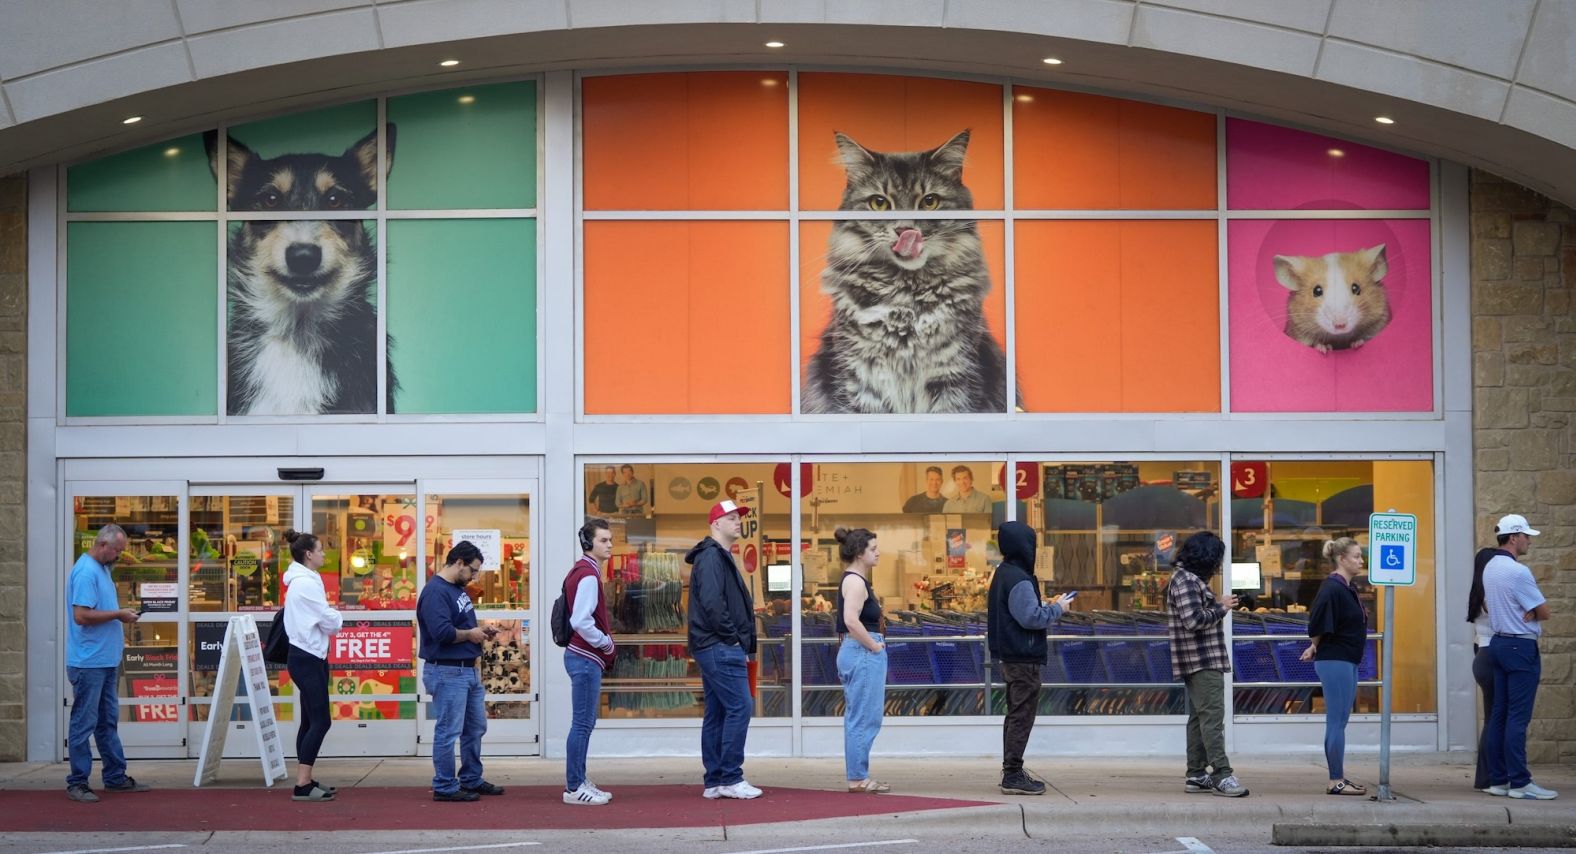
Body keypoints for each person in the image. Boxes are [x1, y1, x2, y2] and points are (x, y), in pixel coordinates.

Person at [64, 524, 151, 803]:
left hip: (103, 659)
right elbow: (81, 615)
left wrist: (119, 614)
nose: (119, 556)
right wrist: (118, 614)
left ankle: (114, 776)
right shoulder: (87, 572)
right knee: (84, 722)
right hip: (89, 662)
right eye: (117, 551)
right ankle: (77, 781)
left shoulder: (100, 569)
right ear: (103, 545)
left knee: (106, 722)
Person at [986, 521, 1069, 795]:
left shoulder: (1004, 573)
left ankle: (1012, 770)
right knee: (1021, 715)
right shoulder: (1019, 578)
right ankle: (1012, 774)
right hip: (1023, 656)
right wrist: (1058, 608)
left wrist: (1045, 604)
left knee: (1015, 713)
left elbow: (1022, 611)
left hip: (1011, 654)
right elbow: (1031, 618)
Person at [417, 540, 504, 803]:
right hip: (447, 671)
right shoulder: (436, 592)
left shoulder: (456, 590)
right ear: (458, 563)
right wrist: (471, 634)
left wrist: (479, 632)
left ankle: (471, 778)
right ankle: (444, 785)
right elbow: (441, 633)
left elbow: (457, 625)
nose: (475, 576)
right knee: (449, 730)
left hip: (466, 670)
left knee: (475, 727)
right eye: (473, 570)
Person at [686, 499, 762, 800]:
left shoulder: (716, 556)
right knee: (740, 707)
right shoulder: (712, 558)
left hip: (714, 644)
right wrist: (733, 639)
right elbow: (713, 604)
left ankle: (715, 780)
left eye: (738, 517)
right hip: (719, 645)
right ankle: (731, 776)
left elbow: (716, 602)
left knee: (718, 712)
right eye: (731, 518)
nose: (738, 522)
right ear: (716, 523)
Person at [1166, 531, 1247, 798]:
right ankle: (1222, 774)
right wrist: (1221, 609)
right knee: (1212, 718)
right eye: (1216, 559)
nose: (1218, 565)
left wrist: (1217, 605)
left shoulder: (1183, 578)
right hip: (1201, 658)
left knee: (1199, 718)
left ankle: (1197, 774)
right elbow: (1194, 620)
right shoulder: (1187, 581)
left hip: (1195, 658)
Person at [1482, 514, 1558, 800]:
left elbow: (1493, 605)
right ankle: (1521, 782)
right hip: (1519, 647)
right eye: (1526, 536)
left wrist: (1528, 609)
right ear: (1513, 537)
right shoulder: (1518, 571)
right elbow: (1546, 612)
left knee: (1499, 714)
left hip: (1498, 643)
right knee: (1517, 717)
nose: (1528, 540)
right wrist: (1533, 611)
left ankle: (1499, 780)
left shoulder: (1490, 567)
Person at [1299, 537, 1369, 796]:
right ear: (1342, 559)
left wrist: (1314, 645)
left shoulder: (1347, 587)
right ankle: (1335, 780)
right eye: (1356, 556)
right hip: (1335, 659)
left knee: (1340, 720)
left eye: (1361, 556)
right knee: (1336, 721)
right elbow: (1317, 621)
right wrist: (1314, 645)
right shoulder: (1332, 588)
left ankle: (1338, 777)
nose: (1361, 561)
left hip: (1345, 659)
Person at [282, 529, 344, 802]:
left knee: (310, 720)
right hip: (306, 657)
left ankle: (305, 778)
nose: (324, 553)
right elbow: (330, 621)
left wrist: (329, 615)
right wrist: (336, 615)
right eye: (320, 549)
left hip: (311, 655)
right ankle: (302, 785)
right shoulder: (304, 584)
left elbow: (324, 618)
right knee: (321, 720)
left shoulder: (307, 579)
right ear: (308, 554)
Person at [564, 518, 617, 806]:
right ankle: (574, 786)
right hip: (585, 656)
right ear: (588, 543)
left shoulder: (584, 571)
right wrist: (605, 642)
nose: (609, 545)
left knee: (584, 722)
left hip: (583, 656)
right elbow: (580, 620)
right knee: (582, 723)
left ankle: (579, 780)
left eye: (610, 540)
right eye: (603, 540)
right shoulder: (587, 574)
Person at [834, 527, 890, 793]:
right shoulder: (856, 582)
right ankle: (858, 778)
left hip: (857, 651)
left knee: (860, 716)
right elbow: (850, 620)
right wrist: (875, 647)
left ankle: (858, 775)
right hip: (863, 652)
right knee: (864, 718)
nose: (878, 552)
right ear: (859, 552)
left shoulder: (853, 580)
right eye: (873, 548)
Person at [1467, 543, 1504, 792]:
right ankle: (1491, 776)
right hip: (1491, 655)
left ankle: (1486, 776)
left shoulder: (1477, 593)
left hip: (1481, 654)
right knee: (1495, 719)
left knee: (1492, 718)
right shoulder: (1491, 594)